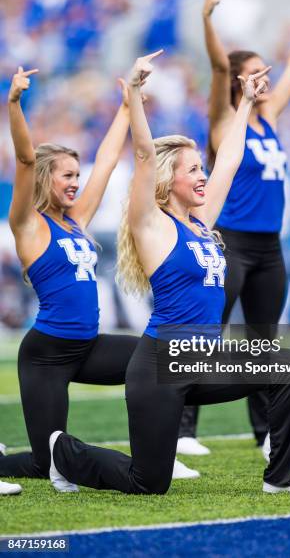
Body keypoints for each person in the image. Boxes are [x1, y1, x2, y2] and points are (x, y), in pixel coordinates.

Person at [48, 50, 290, 496]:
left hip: (205, 360)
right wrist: (136, 93)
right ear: (167, 179)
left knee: (289, 368)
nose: (203, 176)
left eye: (202, 168)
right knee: (148, 482)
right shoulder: (153, 224)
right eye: (194, 169)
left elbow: (231, 160)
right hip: (162, 364)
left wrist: (248, 104)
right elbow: (142, 154)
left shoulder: (202, 222)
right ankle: (65, 453)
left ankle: (283, 477)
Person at [0, 65, 196, 485]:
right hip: (47, 356)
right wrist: (14, 103)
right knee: (43, 462)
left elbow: (106, 162)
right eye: (67, 176)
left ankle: (158, 453)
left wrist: (128, 105)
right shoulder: (28, 224)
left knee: (160, 362)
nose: (76, 183)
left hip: (88, 347)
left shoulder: (77, 219)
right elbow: (23, 157)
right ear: (44, 178)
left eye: (76, 174)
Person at [176, 0, 290, 448]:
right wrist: (207, 18)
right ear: (239, 82)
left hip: (268, 246)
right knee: (205, 334)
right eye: (256, 72)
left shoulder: (272, 118)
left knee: (263, 343)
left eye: (266, 71)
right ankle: (182, 428)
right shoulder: (225, 121)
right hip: (228, 242)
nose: (266, 78)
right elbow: (220, 65)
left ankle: (265, 432)